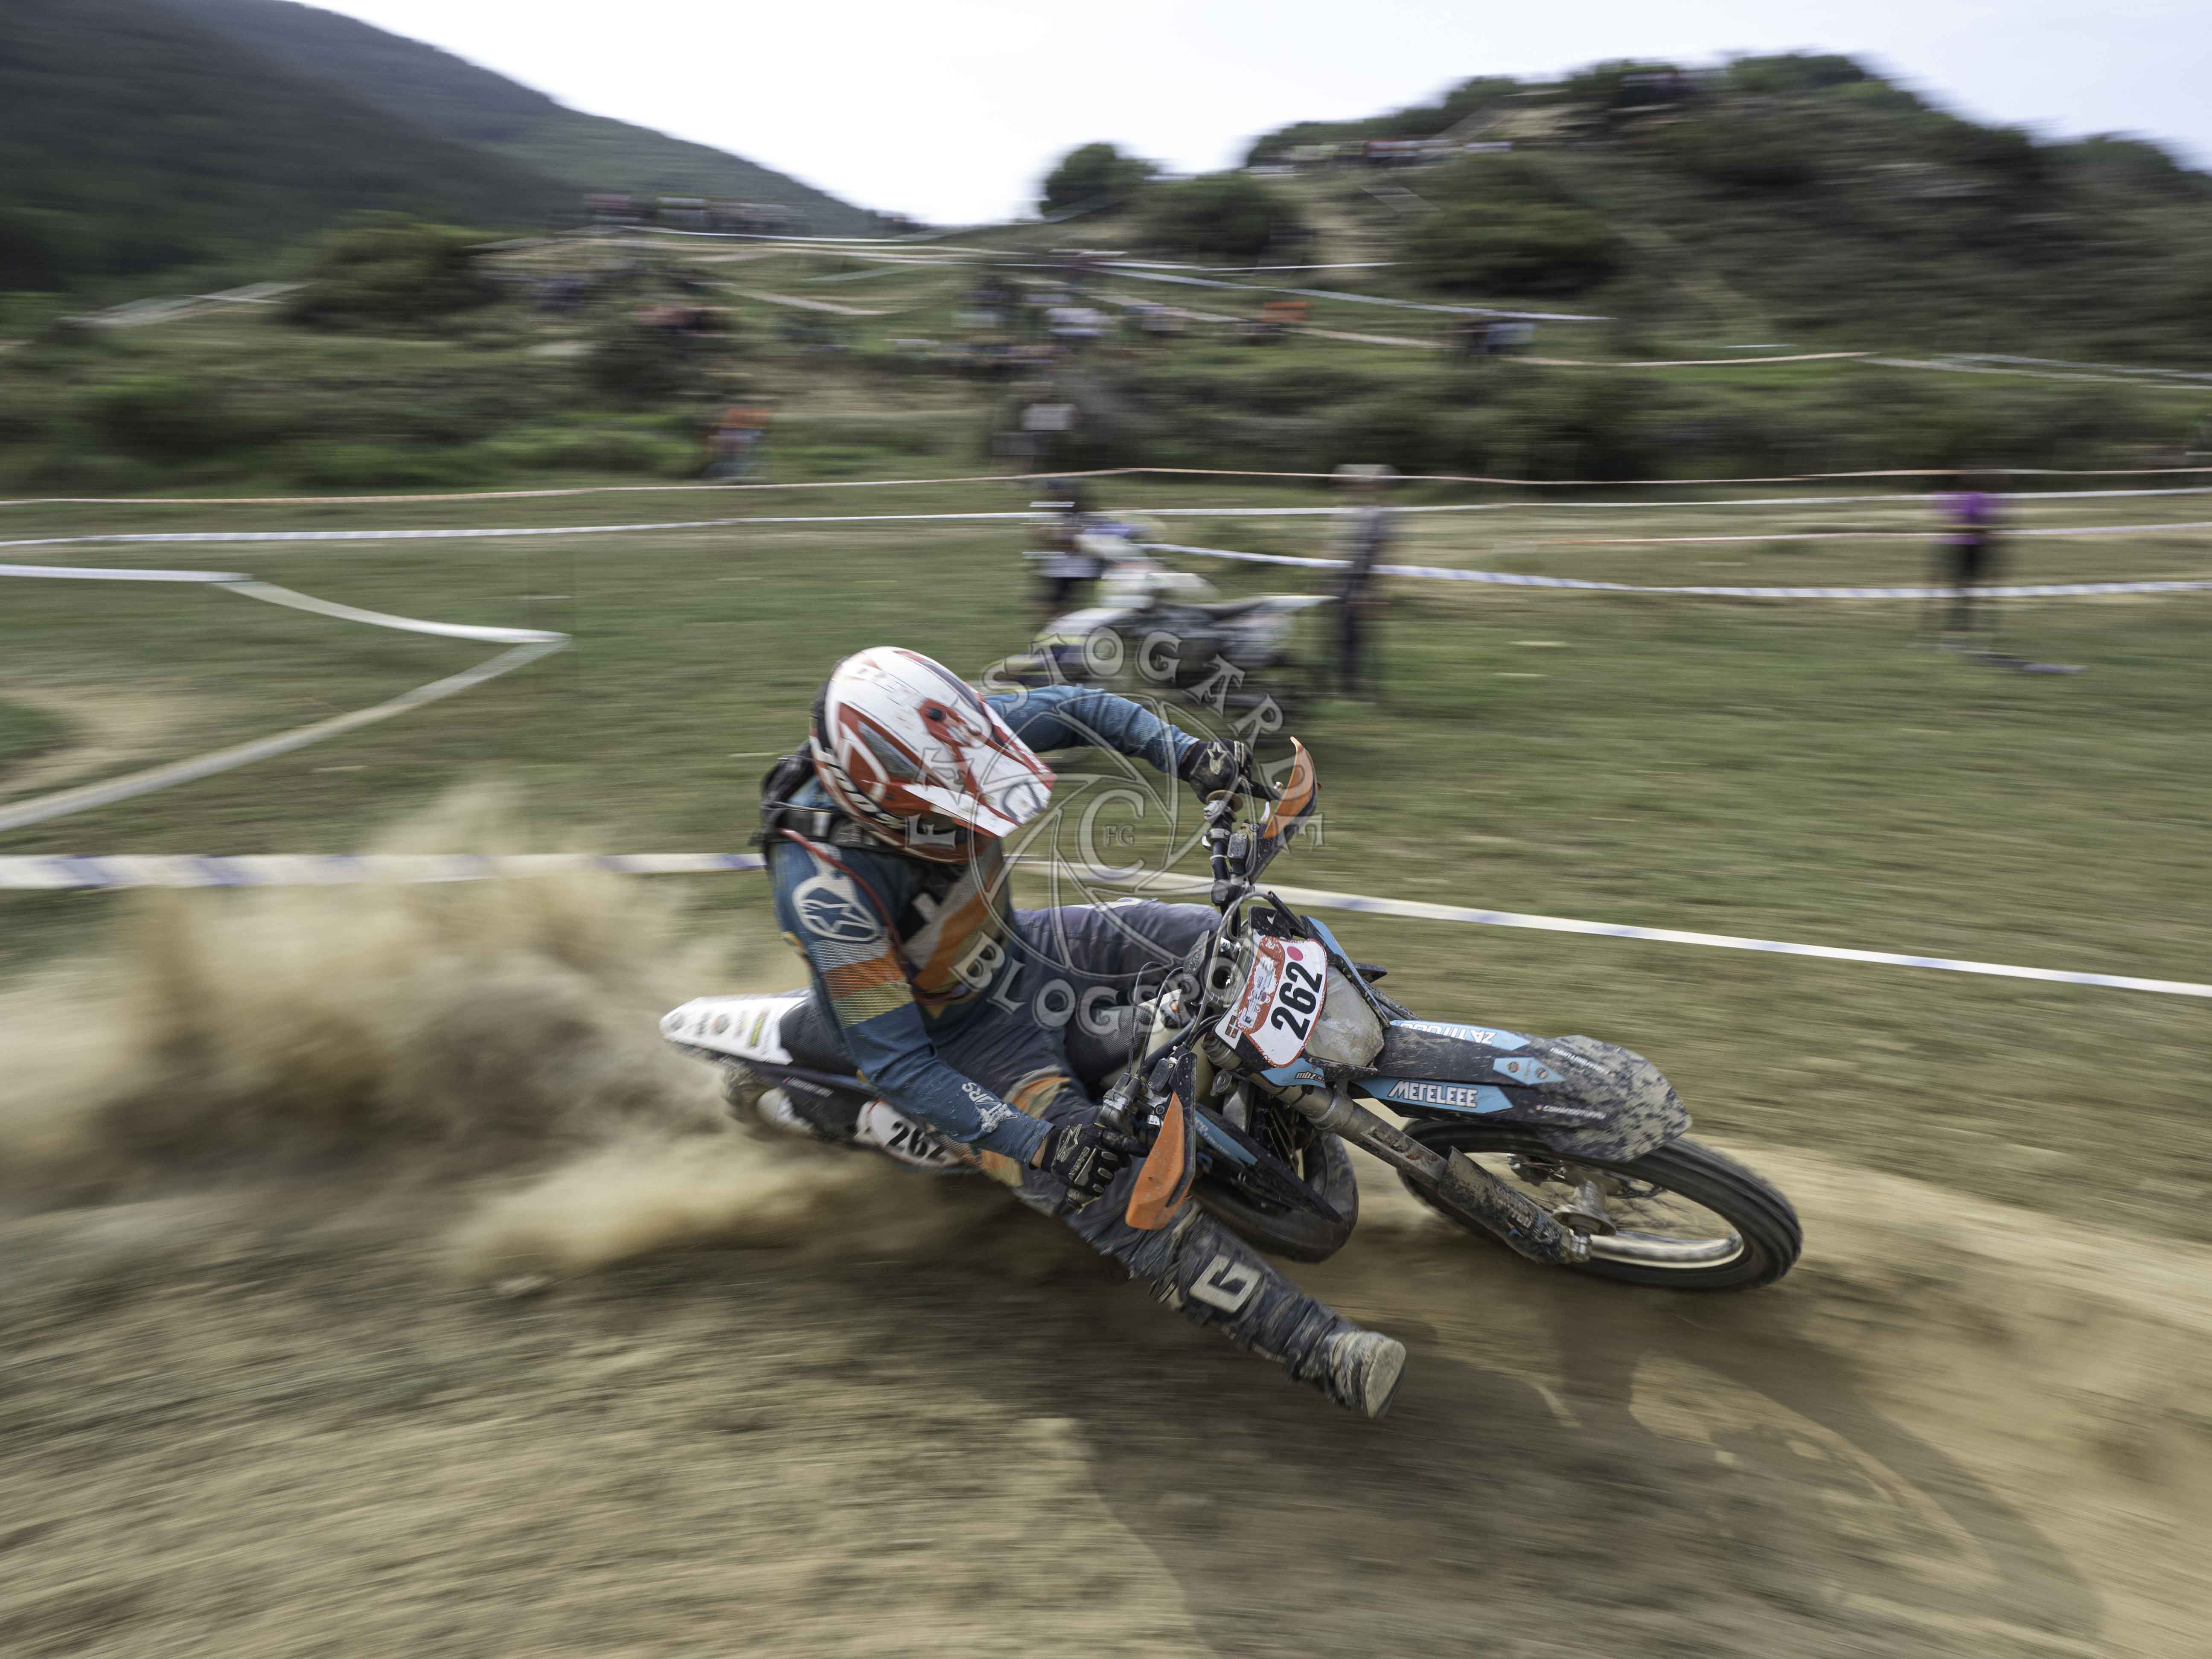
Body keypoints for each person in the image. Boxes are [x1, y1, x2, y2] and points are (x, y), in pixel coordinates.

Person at [752, 647, 1406, 1417]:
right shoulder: (826, 890)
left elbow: (1078, 708)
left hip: (1027, 947)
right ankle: (1316, 1347)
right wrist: (1044, 1145)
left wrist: (1188, 754)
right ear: (875, 800)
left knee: (1234, 941)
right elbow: (900, 1067)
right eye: (946, 807)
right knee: (1110, 1190)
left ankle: (1406, 1058)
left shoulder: (953, 740)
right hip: (958, 1039)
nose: (969, 815)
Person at [1329, 463, 1396, 699]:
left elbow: (1379, 553)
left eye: (1375, 484)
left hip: (1360, 580)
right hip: (1344, 577)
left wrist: (1371, 590)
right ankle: (1346, 683)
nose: (1370, 488)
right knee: (1344, 633)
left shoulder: (1381, 515)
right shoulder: (1361, 511)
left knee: (1354, 635)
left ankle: (1353, 686)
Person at [1930, 469, 2003, 647]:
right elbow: (1976, 525)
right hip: (1968, 548)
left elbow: (1953, 523)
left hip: (1967, 548)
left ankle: (1957, 629)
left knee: (1962, 590)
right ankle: (1957, 629)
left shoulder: (1962, 498)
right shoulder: (1975, 498)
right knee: (1963, 590)